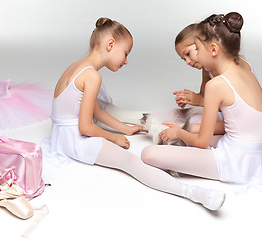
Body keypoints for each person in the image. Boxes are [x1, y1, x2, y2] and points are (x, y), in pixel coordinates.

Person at [41, 17, 226, 211]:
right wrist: (115, 138)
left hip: (60, 137)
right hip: (74, 142)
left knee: (131, 151)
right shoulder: (92, 76)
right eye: (125, 53)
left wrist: (124, 129)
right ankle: (192, 192)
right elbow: (85, 127)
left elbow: (95, 111)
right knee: (129, 161)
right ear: (111, 45)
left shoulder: (79, 67)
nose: (126, 61)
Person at [141, 12, 262, 196]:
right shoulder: (244, 70)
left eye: (196, 47)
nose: (192, 56)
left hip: (235, 161)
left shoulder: (216, 86)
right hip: (256, 157)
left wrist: (180, 132)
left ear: (213, 49)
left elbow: (202, 143)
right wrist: (187, 128)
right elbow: (236, 125)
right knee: (190, 132)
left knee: (148, 154)